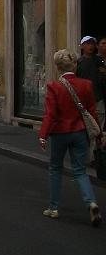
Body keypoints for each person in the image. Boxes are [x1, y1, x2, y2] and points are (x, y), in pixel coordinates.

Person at [39, 49, 102, 226]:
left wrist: (43, 135)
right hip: (80, 132)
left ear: (57, 67)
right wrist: (98, 134)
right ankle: (91, 202)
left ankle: (54, 207)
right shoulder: (86, 85)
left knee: (55, 168)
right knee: (80, 171)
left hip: (60, 133)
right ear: (74, 65)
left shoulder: (54, 86)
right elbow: (91, 111)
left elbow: (50, 114)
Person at [76, 36, 105, 128]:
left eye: (92, 44)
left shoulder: (99, 61)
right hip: (84, 98)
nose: (90, 46)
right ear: (82, 46)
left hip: (98, 97)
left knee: (100, 119)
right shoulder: (78, 63)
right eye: (88, 44)